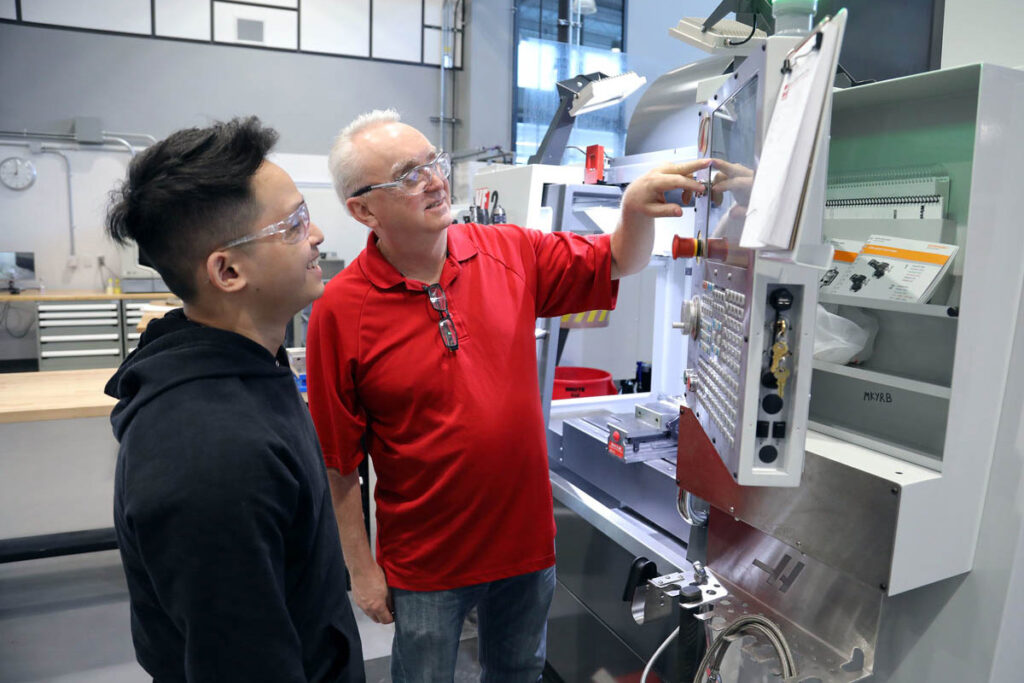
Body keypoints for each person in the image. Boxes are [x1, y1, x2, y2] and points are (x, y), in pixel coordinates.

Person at [306, 108, 708, 682]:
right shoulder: (341, 310)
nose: (434, 180)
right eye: (407, 175)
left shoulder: (510, 252)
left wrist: (634, 210)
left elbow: (619, 259)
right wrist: (361, 568)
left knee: (519, 672)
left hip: (524, 547)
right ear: (363, 209)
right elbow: (339, 460)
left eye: (432, 163)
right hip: (426, 560)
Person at [103, 117, 365, 683]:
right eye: (293, 225)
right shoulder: (214, 456)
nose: (316, 234)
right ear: (227, 270)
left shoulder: (250, 366)